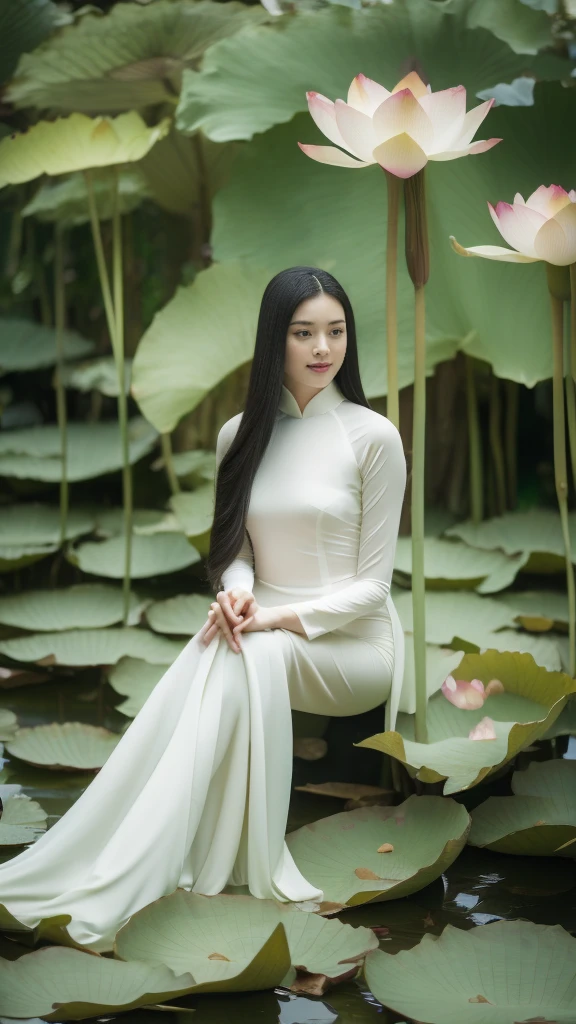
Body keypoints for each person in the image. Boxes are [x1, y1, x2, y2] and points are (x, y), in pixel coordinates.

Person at [0, 266, 407, 953]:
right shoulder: (239, 435)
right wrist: (239, 592)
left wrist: (273, 618)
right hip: (260, 629)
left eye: (335, 332)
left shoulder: (372, 436)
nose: (321, 349)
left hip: (354, 646)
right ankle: (145, 862)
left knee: (239, 648)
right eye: (303, 333)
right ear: (274, 340)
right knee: (227, 642)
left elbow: (374, 589)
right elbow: (236, 551)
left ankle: (154, 863)